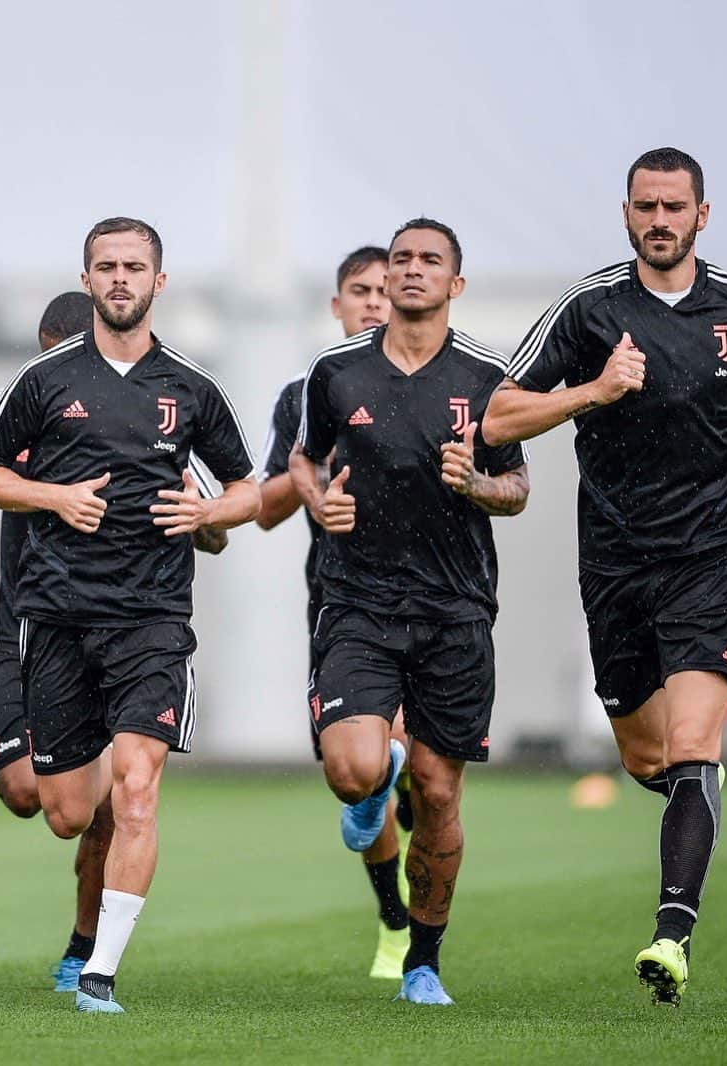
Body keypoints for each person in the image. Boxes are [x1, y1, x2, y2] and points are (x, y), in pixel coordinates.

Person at [482, 147, 727, 1006]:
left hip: (711, 553)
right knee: (648, 757)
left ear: (702, 214)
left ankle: (672, 937)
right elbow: (500, 415)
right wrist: (594, 390)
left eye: (675, 205)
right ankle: (693, 794)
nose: (659, 218)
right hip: (616, 561)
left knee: (694, 744)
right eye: (645, 205)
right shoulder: (590, 308)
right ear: (626, 213)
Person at [0, 218, 259, 1013]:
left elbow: (250, 489)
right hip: (57, 621)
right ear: (88, 279)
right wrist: (54, 496)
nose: (120, 278)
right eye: (106, 266)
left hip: (153, 620)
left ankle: (99, 971)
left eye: (135, 266)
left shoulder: (191, 387)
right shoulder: (45, 380)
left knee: (136, 790)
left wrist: (211, 514)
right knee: (65, 812)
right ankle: (94, 869)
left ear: (160, 281)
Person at [290, 219, 529, 1005]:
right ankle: (370, 781)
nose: (413, 271)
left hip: (455, 608)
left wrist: (475, 485)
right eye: (402, 260)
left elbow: (519, 489)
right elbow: (303, 457)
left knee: (437, 790)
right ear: (383, 280)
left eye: (431, 261)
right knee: (354, 765)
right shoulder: (336, 371)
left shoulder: (491, 375)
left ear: (455, 285)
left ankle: (423, 961)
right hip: (357, 599)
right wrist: (320, 501)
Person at [259, 246, 414, 979]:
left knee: (417, 772)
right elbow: (264, 506)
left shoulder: (439, 377)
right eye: (361, 291)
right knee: (358, 767)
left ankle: (418, 936)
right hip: (342, 598)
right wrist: (310, 476)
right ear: (338, 305)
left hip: (433, 594)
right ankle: (393, 918)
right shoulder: (307, 391)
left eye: (387, 290)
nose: (376, 303)